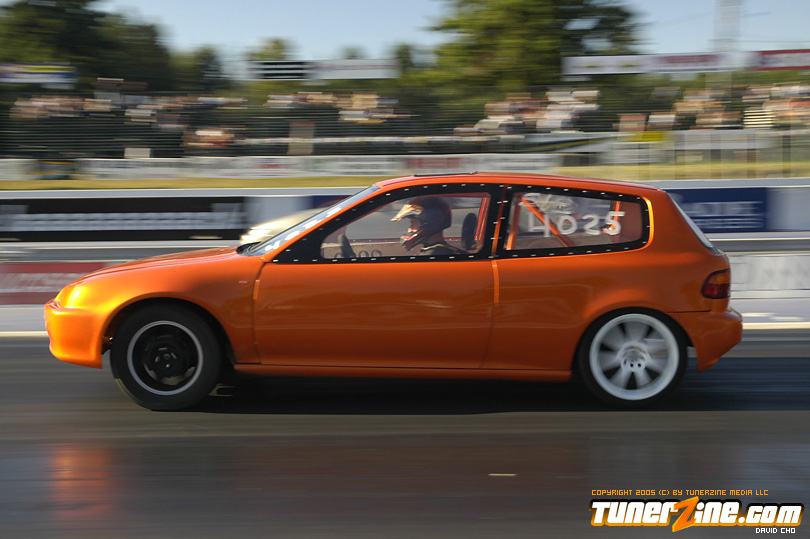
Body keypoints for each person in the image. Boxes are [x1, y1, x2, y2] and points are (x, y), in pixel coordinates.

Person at [391, 196, 466, 256]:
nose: (409, 230)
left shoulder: (435, 254)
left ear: (429, 222)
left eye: (412, 223)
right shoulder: (446, 252)